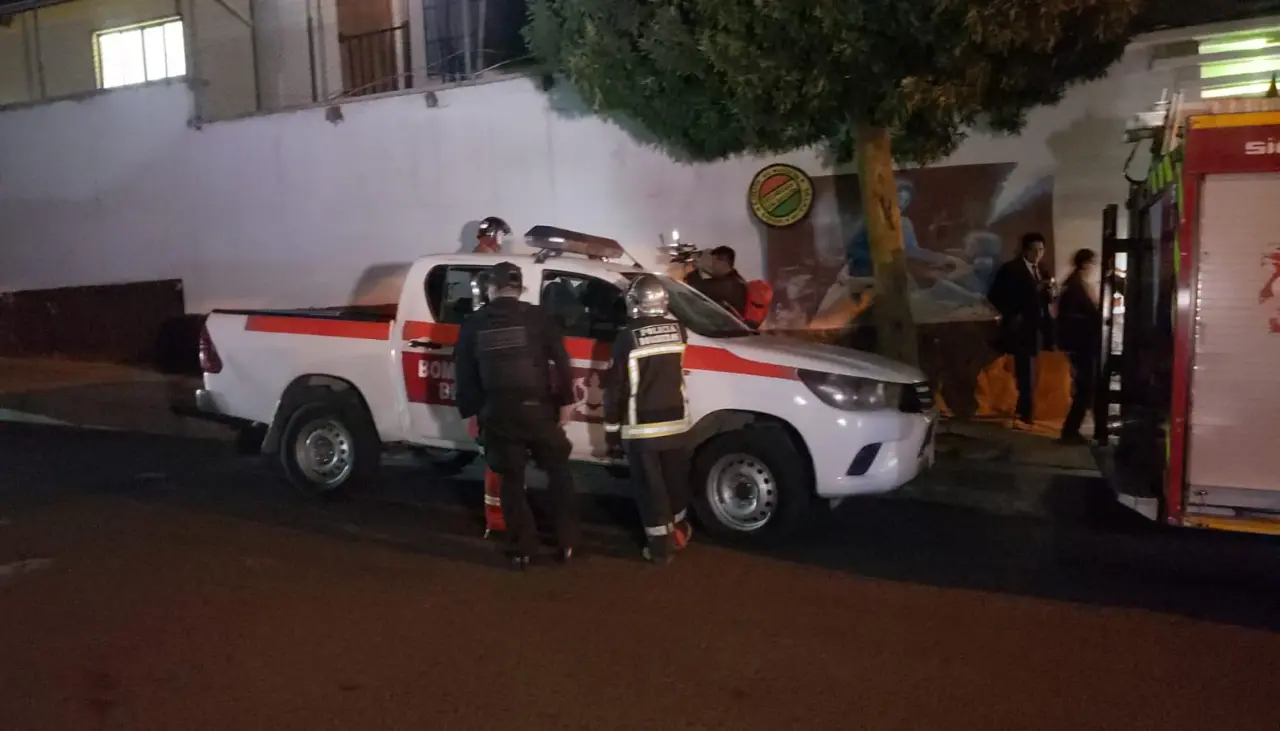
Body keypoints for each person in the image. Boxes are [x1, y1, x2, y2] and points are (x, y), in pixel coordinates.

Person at [454, 261, 580, 568]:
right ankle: (566, 542)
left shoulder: (474, 323)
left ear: (491, 288)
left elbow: (465, 374)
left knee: (511, 481)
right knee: (559, 472)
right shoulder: (538, 318)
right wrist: (566, 402)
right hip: (538, 411)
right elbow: (561, 362)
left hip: (498, 413)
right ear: (519, 287)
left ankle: (524, 548)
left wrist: (472, 412)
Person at [603, 275, 693, 564]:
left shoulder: (626, 336)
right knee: (673, 482)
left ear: (636, 302)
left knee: (650, 488)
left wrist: (612, 430)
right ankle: (680, 531)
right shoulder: (679, 330)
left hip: (642, 427)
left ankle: (660, 548)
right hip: (676, 422)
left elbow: (615, 388)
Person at [986, 232, 1055, 428]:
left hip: (1039, 327)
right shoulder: (1011, 269)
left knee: (1033, 370)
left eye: (1041, 250)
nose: (1038, 254)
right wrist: (1014, 311)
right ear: (1025, 250)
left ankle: (1024, 409)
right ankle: (1026, 412)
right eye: (1034, 250)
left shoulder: (1041, 269)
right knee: (1025, 370)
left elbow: (1044, 298)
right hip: (1021, 328)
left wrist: (1049, 294)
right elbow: (995, 295)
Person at [1056, 248, 1102, 444]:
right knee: (1086, 388)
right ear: (1085, 264)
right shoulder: (1076, 286)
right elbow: (1079, 316)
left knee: (1086, 388)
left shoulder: (1074, 283)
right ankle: (1070, 431)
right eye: (1092, 263)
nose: (1094, 268)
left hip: (1080, 344)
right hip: (1082, 344)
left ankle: (1073, 429)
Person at [684, 246, 748, 317]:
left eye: (713, 262)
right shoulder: (733, 277)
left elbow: (703, 288)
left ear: (722, 263)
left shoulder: (731, 286)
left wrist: (699, 267)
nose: (711, 265)